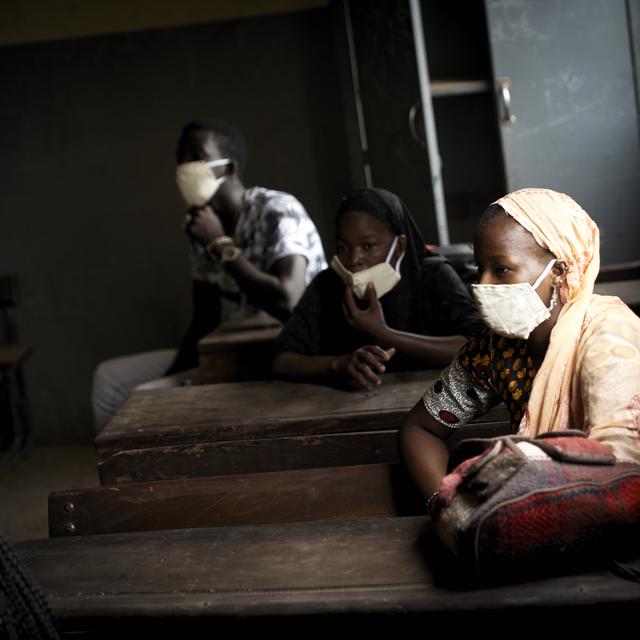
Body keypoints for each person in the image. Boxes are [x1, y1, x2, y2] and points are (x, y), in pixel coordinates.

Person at [399, 187, 640, 505]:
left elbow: (620, 462)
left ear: (557, 271)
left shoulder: (607, 335)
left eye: (501, 270)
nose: (483, 284)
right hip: (541, 509)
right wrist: (445, 507)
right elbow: (420, 430)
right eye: (479, 268)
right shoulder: (496, 349)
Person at [92, 120, 327, 431]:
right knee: (109, 379)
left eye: (196, 155)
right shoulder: (202, 226)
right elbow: (204, 319)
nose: (185, 166)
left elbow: (289, 302)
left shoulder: (277, 209)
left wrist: (219, 244)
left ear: (229, 168)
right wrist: (175, 374)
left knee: (143, 399)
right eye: (181, 157)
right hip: (225, 349)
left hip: (280, 350)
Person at [272, 188, 485, 389]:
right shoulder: (327, 285)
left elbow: (477, 346)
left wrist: (385, 334)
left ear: (399, 246)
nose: (354, 259)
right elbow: (282, 360)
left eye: (368, 246)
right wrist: (338, 364)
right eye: (342, 248)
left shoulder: (432, 275)